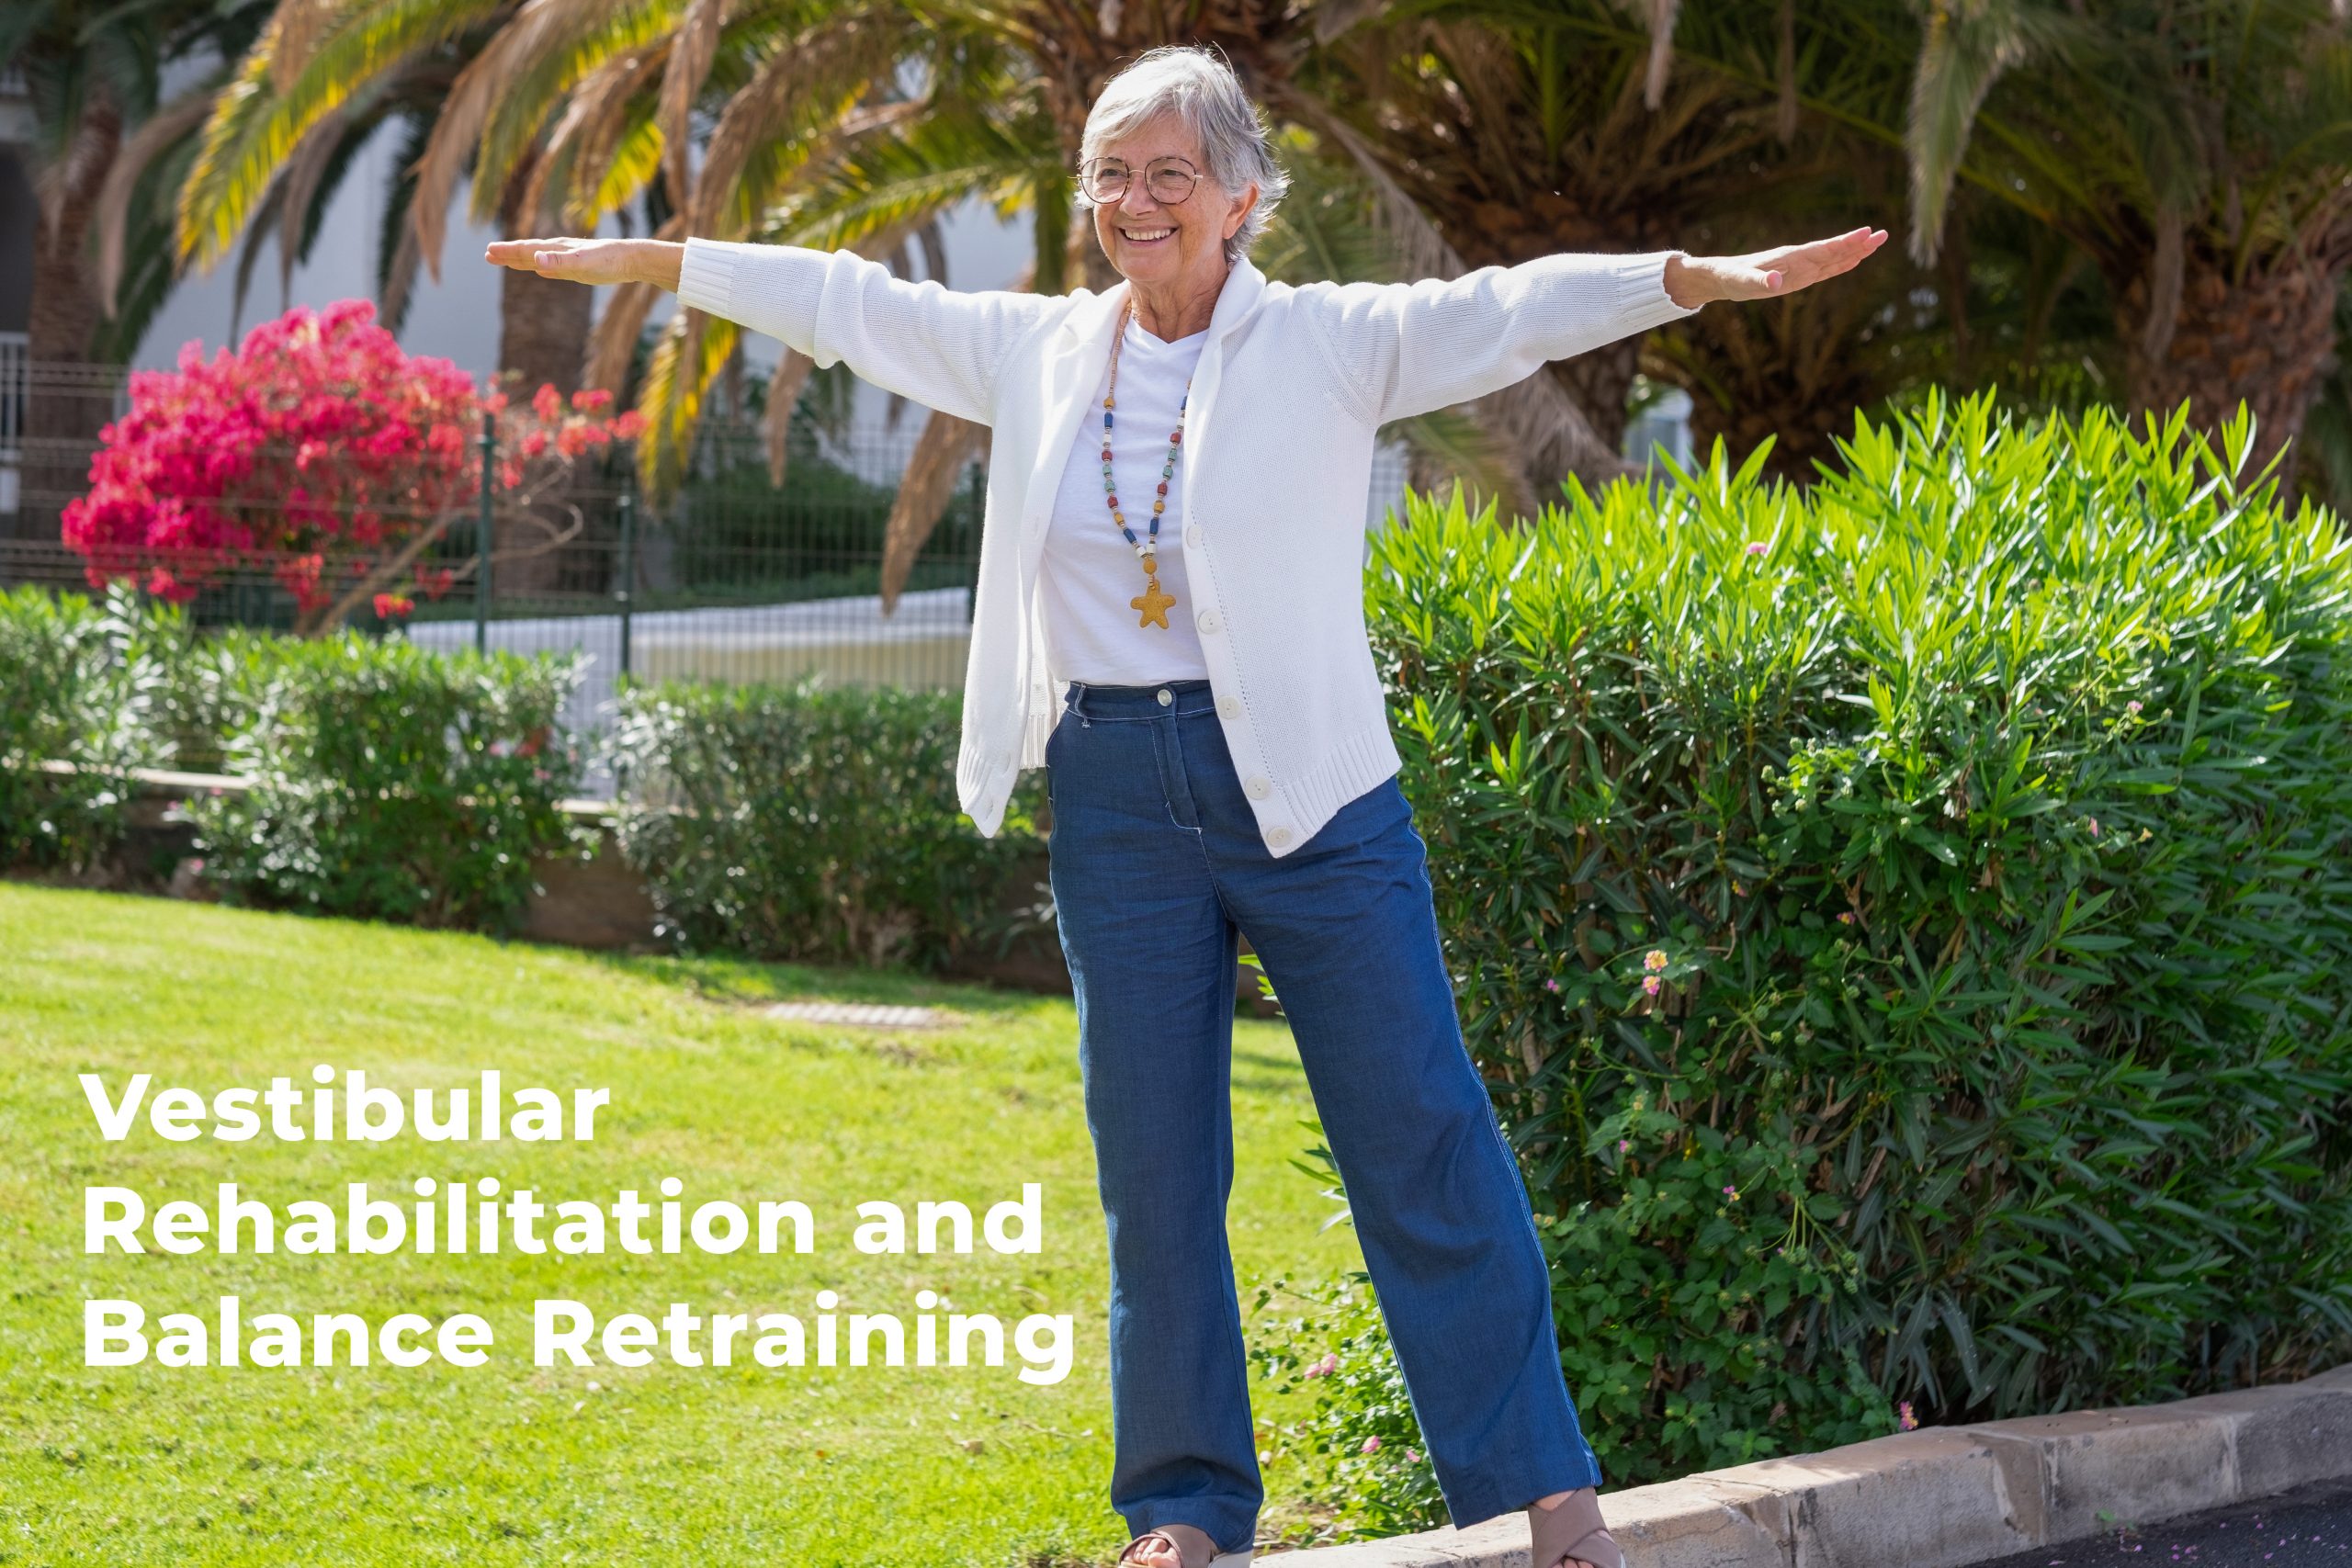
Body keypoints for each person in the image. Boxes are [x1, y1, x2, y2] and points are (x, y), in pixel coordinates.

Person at [490, 41, 1883, 1568]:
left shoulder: (1331, 343)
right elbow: (849, 302)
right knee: (1154, 1168)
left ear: (1242, 198)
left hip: (1314, 794)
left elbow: (1503, 307)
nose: (1136, 201)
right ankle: (1184, 1510)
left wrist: (1687, 277)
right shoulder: (1036, 352)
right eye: (1110, 174)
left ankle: (1547, 1498)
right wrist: (668, 258)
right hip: (1114, 797)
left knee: (1419, 1136)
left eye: (1169, 174)